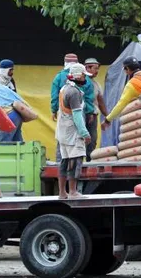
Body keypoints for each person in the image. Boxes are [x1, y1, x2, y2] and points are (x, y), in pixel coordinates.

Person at [55, 63, 92, 199]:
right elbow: (77, 115)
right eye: (83, 75)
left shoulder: (64, 89)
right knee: (75, 161)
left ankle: (62, 193)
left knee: (64, 161)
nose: (85, 79)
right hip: (73, 133)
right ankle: (72, 191)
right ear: (77, 76)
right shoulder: (74, 92)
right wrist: (84, 133)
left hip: (62, 131)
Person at [51, 53, 95, 162]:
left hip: (63, 114)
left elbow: (54, 95)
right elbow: (89, 97)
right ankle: (77, 169)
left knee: (63, 144)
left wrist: (54, 110)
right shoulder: (83, 79)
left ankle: (60, 163)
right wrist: (90, 112)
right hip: (79, 113)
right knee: (78, 142)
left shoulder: (59, 77)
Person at [84, 58, 108, 161]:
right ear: (87, 68)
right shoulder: (81, 82)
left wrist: (107, 116)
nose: (97, 71)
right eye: (95, 68)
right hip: (81, 115)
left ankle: (89, 161)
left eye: (98, 69)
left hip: (93, 116)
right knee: (80, 139)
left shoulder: (96, 84)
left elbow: (100, 102)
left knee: (92, 140)